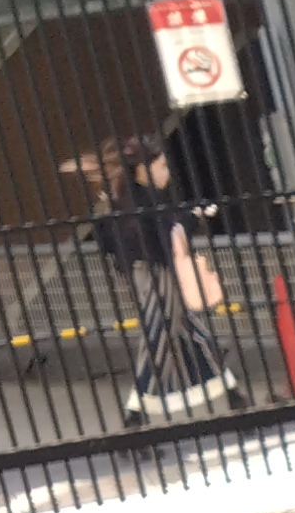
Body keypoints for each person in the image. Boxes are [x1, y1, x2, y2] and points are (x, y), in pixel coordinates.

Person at [65, 131, 248, 422]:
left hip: (146, 273)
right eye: (162, 166)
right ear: (143, 168)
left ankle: (234, 397)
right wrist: (193, 217)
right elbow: (164, 234)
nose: (167, 173)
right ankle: (137, 414)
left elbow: (115, 240)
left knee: (185, 332)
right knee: (160, 338)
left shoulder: (126, 198)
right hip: (155, 275)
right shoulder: (142, 199)